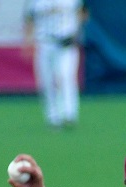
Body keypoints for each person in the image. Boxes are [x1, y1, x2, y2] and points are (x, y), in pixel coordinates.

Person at [21, 0, 86, 129]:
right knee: (47, 81)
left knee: (65, 76)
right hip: (44, 43)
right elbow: (29, 20)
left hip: (66, 43)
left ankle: (69, 113)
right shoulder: (36, 2)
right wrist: (28, 41)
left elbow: (83, 12)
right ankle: (53, 117)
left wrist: (77, 31)